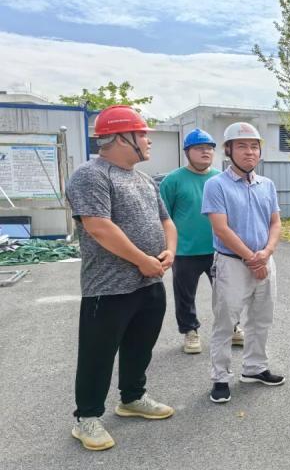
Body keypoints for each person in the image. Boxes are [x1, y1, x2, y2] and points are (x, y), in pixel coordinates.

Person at [66, 105, 176, 451]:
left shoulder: (144, 179)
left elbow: (166, 221)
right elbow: (98, 227)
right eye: (142, 133)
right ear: (120, 137)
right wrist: (143, 260)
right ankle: (87, 418)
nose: (148, 140)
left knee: (140, 346)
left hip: (150, 282)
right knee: (97, 354)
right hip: (108, 287)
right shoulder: (91, 175)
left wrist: (169, 251)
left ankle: (132, 398)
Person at [201, 122, 284, 404]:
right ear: (228, 150)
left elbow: (275, 222)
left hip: (265, 260)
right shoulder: (216, 185)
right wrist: (252, 258)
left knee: (261, 318)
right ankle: (220, 377)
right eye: (242, 146)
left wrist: (267, 252)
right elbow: (221, 228)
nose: (249, 152)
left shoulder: (267, 185)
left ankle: (255, 368)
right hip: (232, 263)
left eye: (254, 146)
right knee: (226, 322)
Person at [160, 129, 244, 354]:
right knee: (185, 295)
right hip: (185, 250)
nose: (205, 152)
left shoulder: (221, 179)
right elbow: (163, 217)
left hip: (219, 249)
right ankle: (190, 331)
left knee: (227, 293)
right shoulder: (172, 181)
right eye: (199, 148)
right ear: (187, 152)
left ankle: (232, 327)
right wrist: (168, 247)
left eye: (209, 148)